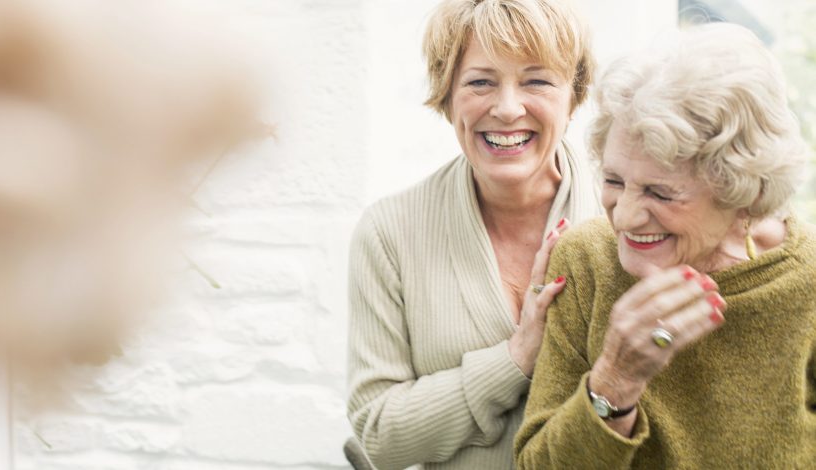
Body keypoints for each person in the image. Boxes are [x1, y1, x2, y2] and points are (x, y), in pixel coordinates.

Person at [514, 23, 816, 469]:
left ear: (742, 193)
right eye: (614, 181)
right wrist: (613, 383)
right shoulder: (586, 262)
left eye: (660, 193)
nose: (625, 216)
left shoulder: (805, 282)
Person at [346, 0, 599, 468]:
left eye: (537, 80)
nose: (506, 109)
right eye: (480, 82)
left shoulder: (624, 211)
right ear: (447, 96)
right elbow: (378, 435)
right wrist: (516, 358)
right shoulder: (391, 233)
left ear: (574, 95)